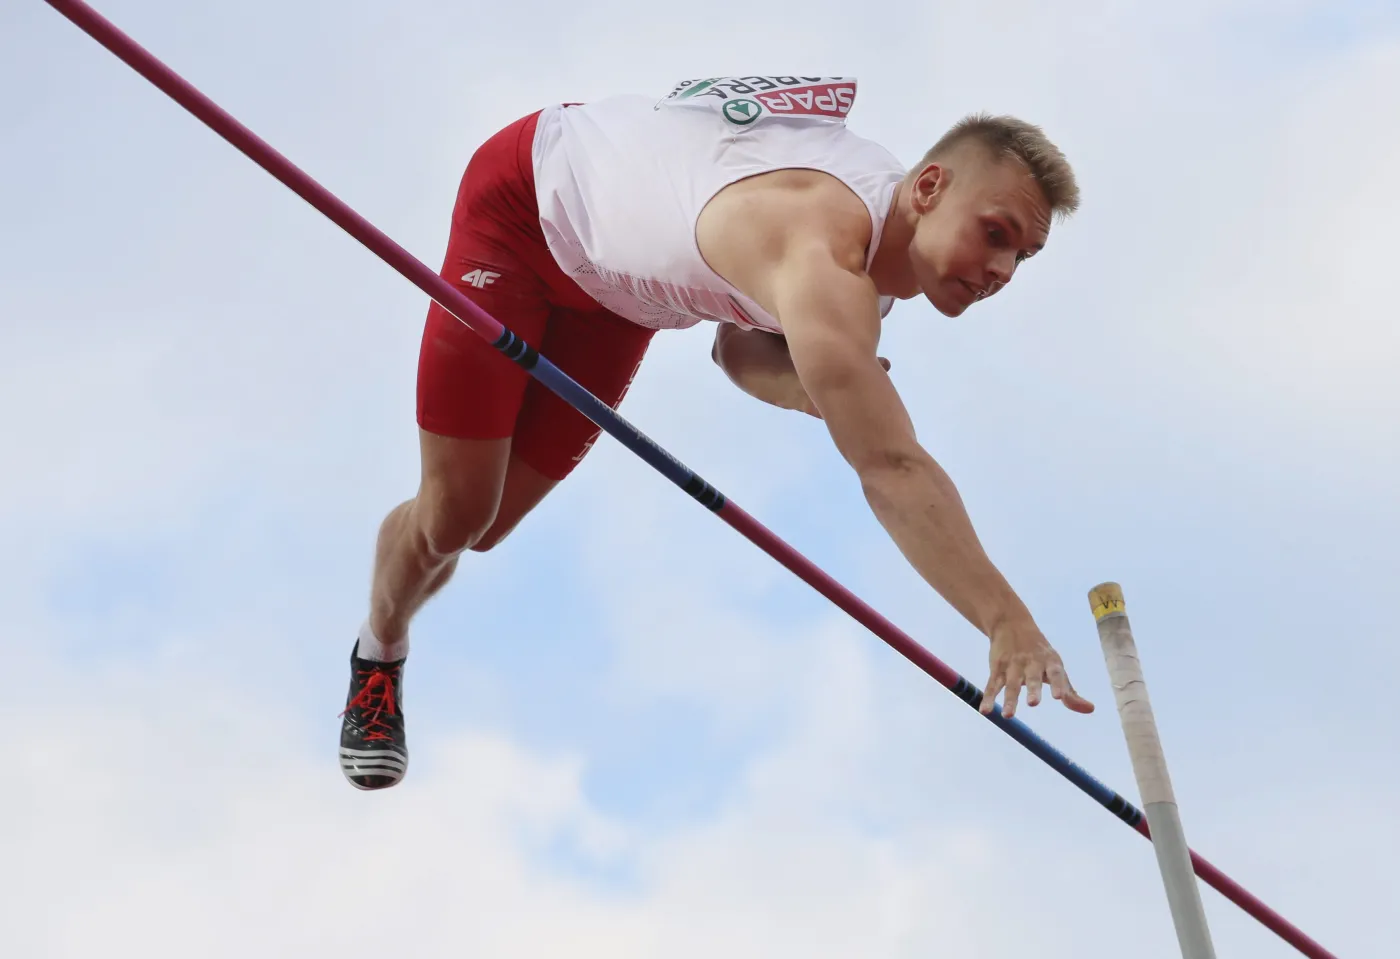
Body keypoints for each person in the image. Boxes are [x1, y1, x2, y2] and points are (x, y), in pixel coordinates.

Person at [338, 76, 1095, 791]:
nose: (1001, 268)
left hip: (620, 301)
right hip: (524, 212)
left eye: (1020, 256)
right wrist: (1005, 620)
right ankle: (381, 650)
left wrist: (808, 388)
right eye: (995, 234)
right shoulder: (821, 257)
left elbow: (735, 346)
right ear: (929, 187)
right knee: (456, 513)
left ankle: (403, 601)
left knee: (489, 529)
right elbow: (892, 466)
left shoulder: (871, 251)